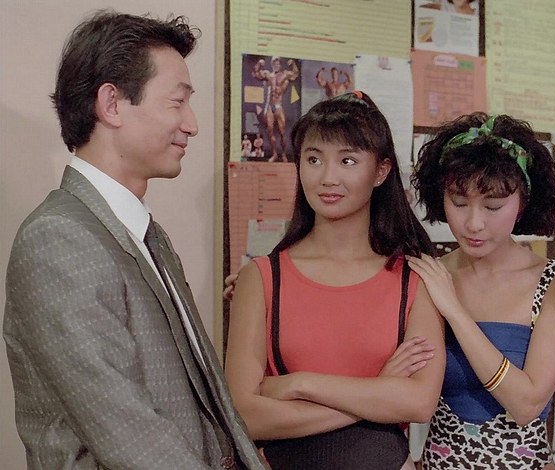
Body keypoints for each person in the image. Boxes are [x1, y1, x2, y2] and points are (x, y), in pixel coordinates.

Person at [3, 10, 266, 469]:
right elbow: (132, 437)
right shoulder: (58, 238)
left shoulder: (145, 234)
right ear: (112, 104)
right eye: (177, 103)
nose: (192, 124)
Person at [224, 91, 446, 469]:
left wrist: (300, 384)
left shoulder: (415, 278)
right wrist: (377, 393)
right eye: (314, 159)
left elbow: (418, 402)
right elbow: (243, 415)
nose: (328, 178)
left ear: (381, 171)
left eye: (347, 161)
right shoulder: (261, 278)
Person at [408, 113, 555, 469]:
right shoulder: (430, 275)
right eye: (459, 203)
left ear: (523, 204)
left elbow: (526, 405)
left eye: (493, 207)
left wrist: (455, 313)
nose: (474, 223)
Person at [253, 57, 299, 162]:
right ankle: (274, 154)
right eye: (274, 64)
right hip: (270, 106)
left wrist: (293, 63)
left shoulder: (284, 75)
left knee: (282, 133)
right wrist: (259, 63)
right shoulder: (268, 75)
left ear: (280, 65)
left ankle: (283, 154)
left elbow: (295, 74)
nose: (276, 65)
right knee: (270, 130)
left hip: (278, 106)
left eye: (278, 64)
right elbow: (256, 73)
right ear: (272, 65)